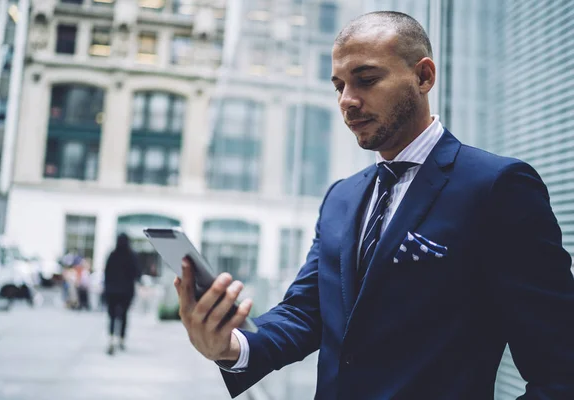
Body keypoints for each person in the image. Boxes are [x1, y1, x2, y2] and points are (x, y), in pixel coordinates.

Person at [174, 11, 574, 399]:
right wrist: (230, 345)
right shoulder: (342, 197)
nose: (347, 101)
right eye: (338, 86)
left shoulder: (498, 187)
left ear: (423, 76)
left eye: (365, 79)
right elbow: (307, 312)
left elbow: (559, 369)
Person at [104, 233, 139, 355]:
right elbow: (136, 273)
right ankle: (121, 339)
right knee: (124, 316)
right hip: (126, 292)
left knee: (112, 316)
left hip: (112, 291)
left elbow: (106, 273)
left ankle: (112, 338)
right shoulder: (131, 256)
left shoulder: (112, 255)